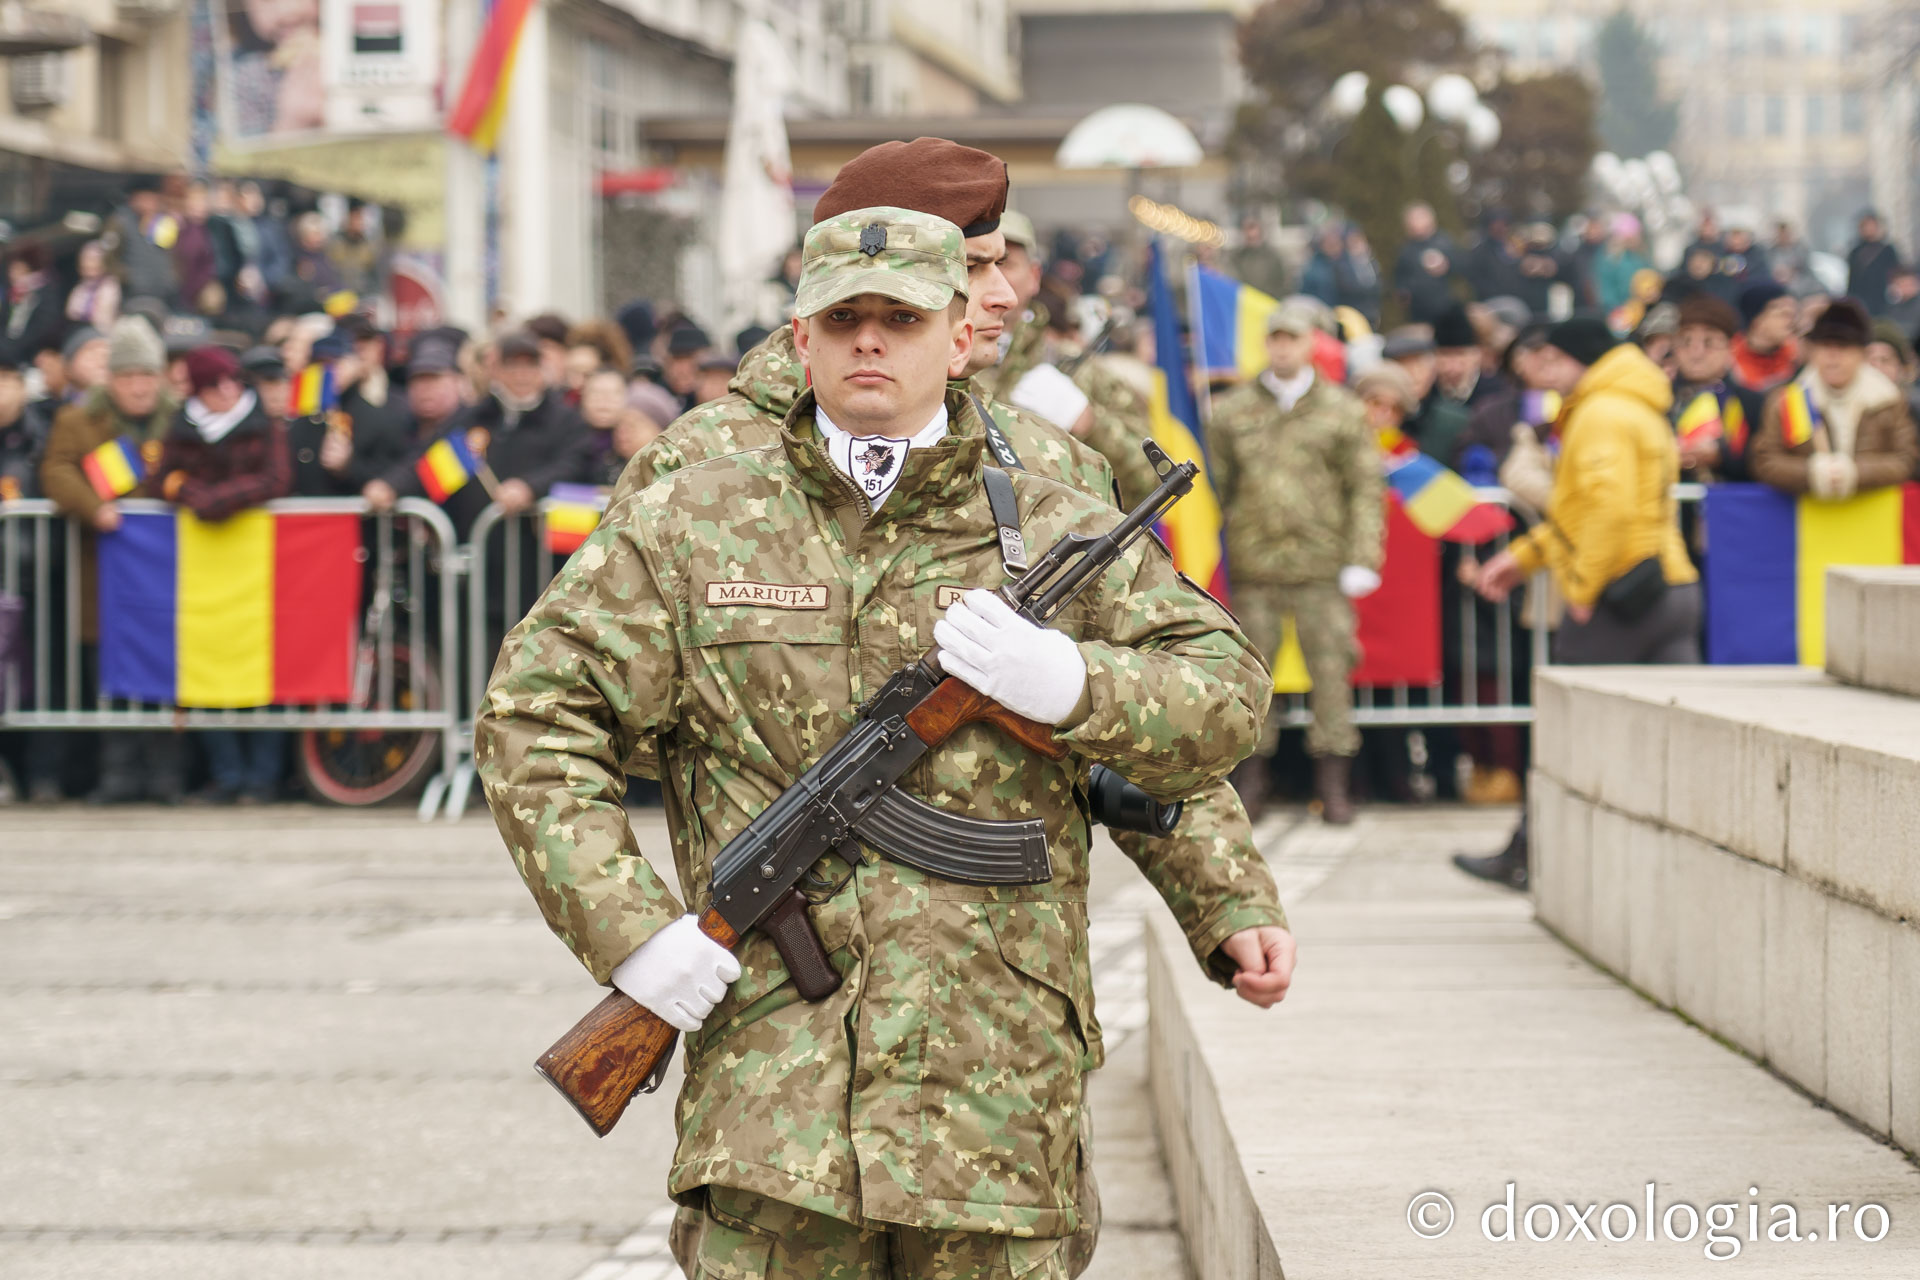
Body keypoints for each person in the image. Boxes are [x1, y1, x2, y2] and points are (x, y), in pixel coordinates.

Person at [476, 204, 1290, 1280]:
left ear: (959, 336)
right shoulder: (690, 514)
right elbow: (537, 712)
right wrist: (633, 933)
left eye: (900, 318)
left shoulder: (1049, 514)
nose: (869, 339)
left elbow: (1223, 701)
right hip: (775, 1109)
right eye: (843, 316)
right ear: (799, 337)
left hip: (994, 1097)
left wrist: (1078, 684)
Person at [1459, 318, 1701, 889]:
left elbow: (1607, 512)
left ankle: (1529, 853)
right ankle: (1686, 859)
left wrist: (1584, 589)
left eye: (1550, 362)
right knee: (1681, 738)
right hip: (1669, 585)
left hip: (1621, 598)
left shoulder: (1600, 413)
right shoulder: (1635, 403)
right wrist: (1524, 557)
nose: (1543, 376)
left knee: (1567, 731)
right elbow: (1584, 512)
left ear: (1573, 360)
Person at [1210, 300, 1384, 825]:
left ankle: (1334, 783)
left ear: (1311, 343)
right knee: (1253, 678)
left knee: (1332, 674)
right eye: (1276, 338)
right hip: (1255, 566)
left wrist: (1362, 556)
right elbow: (1219, 486)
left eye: (1293, 338)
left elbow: (1364, 490)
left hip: (1321, 565)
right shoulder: (1233, 411)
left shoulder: (1342, 410)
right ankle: (1253, 780)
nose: (1283, 347)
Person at [37, 317, 185, 804]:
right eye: (128, 376)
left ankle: (165, 776)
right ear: (112, 380)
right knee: (112, 672)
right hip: (105, 574)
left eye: (148, 374)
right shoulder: (78, 421)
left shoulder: (181, 420)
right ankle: (118, 775)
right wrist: (93, 507)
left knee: (165, 673)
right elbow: (55, 470)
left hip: (167, 575)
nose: (140, 386)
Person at [158, 347, 293, 804]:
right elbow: (161, 477)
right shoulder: (180, 427)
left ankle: (262, 777)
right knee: (206, 671)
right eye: (216, 384)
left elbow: (276, 479)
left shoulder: (263, 424)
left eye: (233, 380)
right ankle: (227, 774)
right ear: (198, 390)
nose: (228, 390)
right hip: (204, 572)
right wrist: (190, 491)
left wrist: (214, 500)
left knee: (266, 672)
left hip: (258, 566)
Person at [1750, 299, 1920, 501]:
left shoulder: (1888, 400)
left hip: (1872, 519)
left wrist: (1855, 473)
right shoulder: (1789, 400)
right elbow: (1765, 460)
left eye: (1843, 347)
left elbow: (1907, 460)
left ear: (1861, 353)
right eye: (1824, 346)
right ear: (1812, 351)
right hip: (1809, 521)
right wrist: (1813, 473)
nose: (1833, 356)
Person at [1668, 295, 1765, 482]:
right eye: (1686, 341)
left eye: (1709, 342)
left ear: (1731, 348)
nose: (1696, 353)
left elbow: (1763, 463)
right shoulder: (1661, 399)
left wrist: (1722, 458)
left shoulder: (1751, 403)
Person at [1393, 203, 1460, 325]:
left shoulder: (1443, 241)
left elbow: (1460, 266)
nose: (1414, 222)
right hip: (1418, 309)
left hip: (1443, 306)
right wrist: (1403, 291)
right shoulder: (1406, 248)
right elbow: (1400, 275)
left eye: (1418, 218)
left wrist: (1446, 265)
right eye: (1412, 219)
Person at [1730, 282, 1800, 395]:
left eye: (1793, 315)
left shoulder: (1796, 357)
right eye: (1784, 314)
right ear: (1757, 320)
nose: (1792, 322)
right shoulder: (1729, 361)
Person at [1847, 211, 1902, 316]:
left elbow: (1896, 273)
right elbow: (1852, 279)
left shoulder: (1887, 250)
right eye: (1866, 226)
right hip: (1861, 298)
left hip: (1884, 298)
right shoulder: (1855, 252)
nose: (1869, 229)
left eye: (1872, 226)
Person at [65, 240, 122, 332]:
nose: (89, 264)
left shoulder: (111, 286)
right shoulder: (80, 288)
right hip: (82, 333)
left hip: (105, 334)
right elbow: (71, 313)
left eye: (93, 259)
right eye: (86, 260)